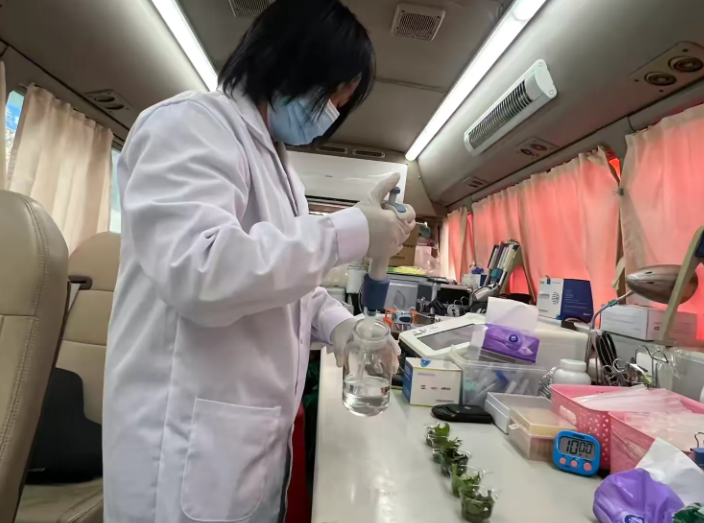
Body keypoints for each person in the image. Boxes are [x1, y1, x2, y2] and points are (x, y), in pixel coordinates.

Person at [102, 0, 416, 522]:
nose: (330, 114)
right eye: (330, 96)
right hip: (181, 447)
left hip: (241, 449)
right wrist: (352, 231)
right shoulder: (189, 125)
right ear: (289, 60)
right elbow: (203, 270)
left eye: (340, 105)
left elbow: (283, 286)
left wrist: (342, 327)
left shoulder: (284, 173)